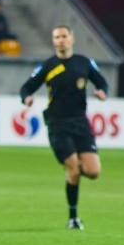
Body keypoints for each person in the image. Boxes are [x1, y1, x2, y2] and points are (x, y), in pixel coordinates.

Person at [20, 25, 109, 229]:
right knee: (74, 171)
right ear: (53, 41)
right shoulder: (48, 65)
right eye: (56, 37)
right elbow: (26, 87)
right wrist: (27, 98)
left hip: (80, 122)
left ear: (72, 38)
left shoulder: (84, 63)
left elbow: (101, 82)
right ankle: (73, 218)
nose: (60, 40)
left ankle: (72, 167)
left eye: (63, 36)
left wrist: (102, 92)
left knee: (93, 171)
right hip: (57, 122)